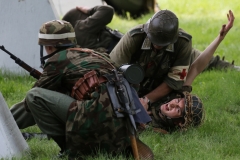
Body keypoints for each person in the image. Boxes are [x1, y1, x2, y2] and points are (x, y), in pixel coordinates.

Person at [14, 20, 152, 158]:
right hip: (122, 125)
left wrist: (8, 121)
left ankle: (68, 149)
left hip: (96, 118)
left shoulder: (58, 59)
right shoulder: (95, 53)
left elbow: (31, 101)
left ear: (49, 47)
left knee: (34, 96)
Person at [138, 10, 235, 132]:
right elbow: (196, 67)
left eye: (177, 110)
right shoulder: (176, 92)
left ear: (180, 122)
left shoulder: (158, 127)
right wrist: (220, 38)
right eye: (178, 101)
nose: (172, 104)